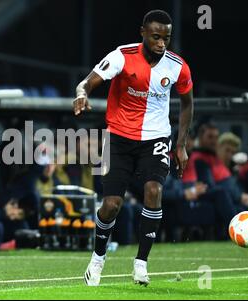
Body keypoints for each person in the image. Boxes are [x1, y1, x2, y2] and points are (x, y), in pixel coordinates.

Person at [73, 10, 194, 286]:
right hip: (117, 138)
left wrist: (181, 143)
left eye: (166, 38)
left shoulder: (177, 66)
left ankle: (141, 264)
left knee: (154, 191)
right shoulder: (122, 56)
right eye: (156, 37)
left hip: (156, 139)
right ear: (143, 33)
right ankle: (98, 257)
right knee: (111, 205)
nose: (162, 43)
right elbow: (88, 81)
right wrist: (81, 94)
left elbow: (187, 103)